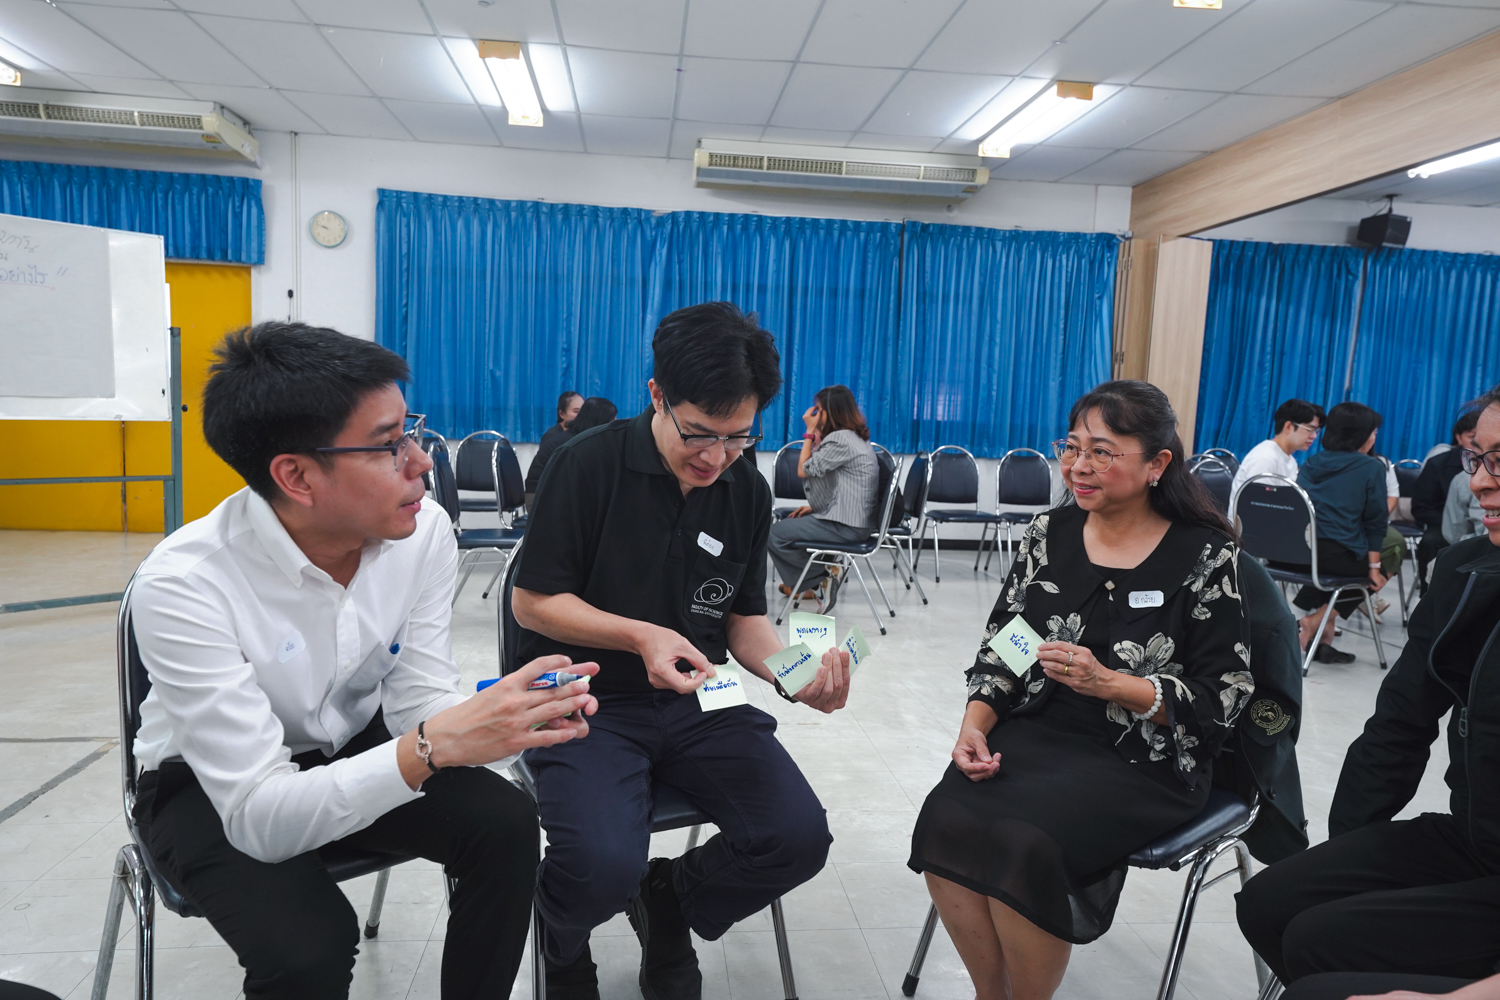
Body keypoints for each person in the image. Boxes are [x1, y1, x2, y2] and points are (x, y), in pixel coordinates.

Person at [128, 323, 600, 1000]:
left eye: (411, 430)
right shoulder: (185, 584)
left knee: (507, 823)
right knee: (310, 948)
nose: (422, 462)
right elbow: (260, 815)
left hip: (351, 741)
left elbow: (416, 701)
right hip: (209, 784)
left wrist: (503, 721)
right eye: (387, 445)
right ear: (295, 476)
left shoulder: (423, 531)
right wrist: (434, 746)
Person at [512, 302, 851, 1000]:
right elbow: (532, 602)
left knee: (795, 838)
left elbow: (744, 618)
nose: (715, 457)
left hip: (701, 696)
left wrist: (795, 674)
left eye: (739, 437)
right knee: (601, 866)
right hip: (584, 696)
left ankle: (668, 899)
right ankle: (563, 943)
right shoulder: (587, 465)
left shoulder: (745, 488)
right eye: (699, 433)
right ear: (657, 396)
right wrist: (640, 634)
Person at [909, 380, 1254, 1000]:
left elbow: (1224, 695)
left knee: (1025, 841)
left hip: (1145, 755)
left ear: (1157, 464)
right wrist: (974, 726)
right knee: (946, 817)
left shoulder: (1205, 554)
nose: (1078, 466)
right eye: (1071, 447)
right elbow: (1007, 646)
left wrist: (1113, 684)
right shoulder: (1049, 533)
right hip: (1040, 730)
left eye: (1101, 451)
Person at [1236, 382, 1500, 995]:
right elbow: (1400, 722)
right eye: (1478, 459)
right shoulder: (1466, 571)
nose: (1480, 483)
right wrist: (1353, 852)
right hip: (1473, 838)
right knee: (1271, 902)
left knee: (1319, 947)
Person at [1286, 402, 1390, 664]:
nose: (1374, 438)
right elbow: (1376, 521)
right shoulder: (1372, 467)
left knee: (1340, 566)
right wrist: (1375, 567)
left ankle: (1323, 642)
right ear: (1361, 434)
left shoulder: (1311, 462)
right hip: (1334, 556)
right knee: (1380, 570)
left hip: (1299, 554)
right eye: (1373, 432)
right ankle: (1314, 622)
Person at [767, 385, 879, 609]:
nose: (814, 414)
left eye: (818, 409)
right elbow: (844, 486)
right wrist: (815, 508)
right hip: (852, 520)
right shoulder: (854, 436)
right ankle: (808, 584)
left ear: (831, 411)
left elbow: (804, 469)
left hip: (847, 526)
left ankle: (822, 576)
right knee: (790, 526)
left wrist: (809, 432)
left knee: (773, 534)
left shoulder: (840, 439)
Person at [526, 397, 618, 507]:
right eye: (611, 419)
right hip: (540, 499)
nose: (615, 423)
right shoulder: (574, 443)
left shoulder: (580, 438)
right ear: (599, 421)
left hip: (556, 494)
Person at [1232, 399, 1323, 497]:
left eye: (1316, 431)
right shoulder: (1265, 459)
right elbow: (1256, 503)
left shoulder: (1290, 460)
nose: (1314, 436)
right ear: (1288, 426)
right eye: (1310, 429)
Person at [525, 391, 584, 504]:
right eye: (576, 411)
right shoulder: (553, 438)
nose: (581, 416)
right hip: (542, 496)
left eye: (583, 411)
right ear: (562, 414)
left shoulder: (576, 435)